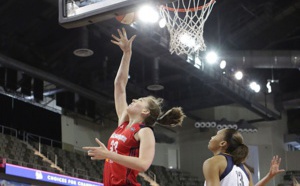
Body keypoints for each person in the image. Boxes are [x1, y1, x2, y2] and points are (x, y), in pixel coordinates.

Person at [83, 28, 185, 186]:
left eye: (140, 100)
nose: (135, 99)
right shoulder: (123, 123)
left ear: (145, 112)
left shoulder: (145, 131)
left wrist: (109, 154)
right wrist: (127, 53)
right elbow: (119, 85)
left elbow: (144, 164)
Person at [203, 128, 285, 186]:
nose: (212, 137)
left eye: (216, 135)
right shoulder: (245, 170)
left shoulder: (213, 162)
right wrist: (269, 176)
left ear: (223, 143)